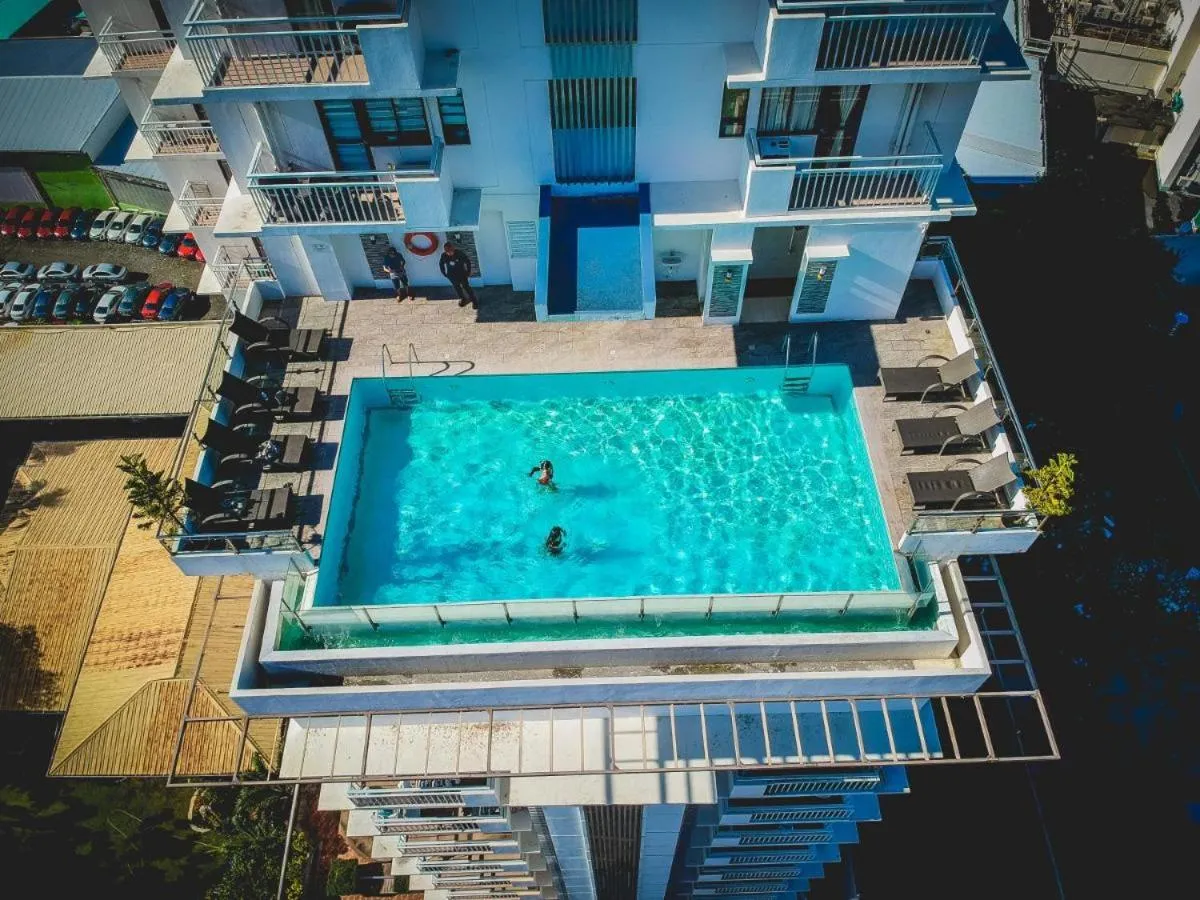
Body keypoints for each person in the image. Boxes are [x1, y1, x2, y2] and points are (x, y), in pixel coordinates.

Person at [439, 241, 477, 308]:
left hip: (461, 274)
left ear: (453, 249)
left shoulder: (459, 253)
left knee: (466, 287)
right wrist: (444, 273)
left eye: (451, 251)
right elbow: (441, 264)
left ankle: (474, 301)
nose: (449, 253)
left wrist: (468, 271)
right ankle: (463, 299)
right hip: (452, 275)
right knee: (457, 288)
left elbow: (467, 261)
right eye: (447, 252)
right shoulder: (444, 255)